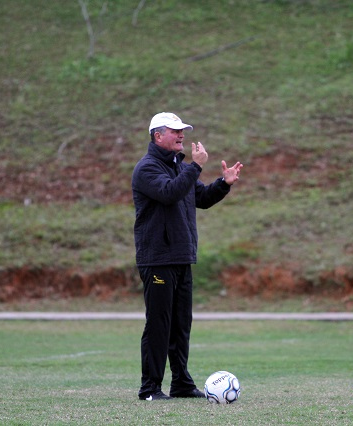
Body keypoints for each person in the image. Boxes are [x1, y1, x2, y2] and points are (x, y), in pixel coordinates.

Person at [132, 112, 243, 401]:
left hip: (181, 257)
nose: (182, 135)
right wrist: (195, 167)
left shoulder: (179, 168)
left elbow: (201, 199)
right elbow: (169, 193)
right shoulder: (147, 169)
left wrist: (224, 183)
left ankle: (181, 383)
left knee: (181, 324)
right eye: (175, 131)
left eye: (183, 130)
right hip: (157, 259)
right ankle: (150, 388)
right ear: (158, 136)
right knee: (159, 323)